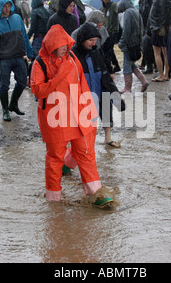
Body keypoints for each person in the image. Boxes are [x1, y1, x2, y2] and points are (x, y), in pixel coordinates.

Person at [30, 24, 113, 206]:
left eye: (67, 46)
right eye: (62, 47)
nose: (66, 50)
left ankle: (96, 195)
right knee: (55, 158)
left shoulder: (72, 56)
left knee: (86, 153)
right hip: (55, 118)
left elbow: (82, 85)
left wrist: (89, 112)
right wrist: (59, 76)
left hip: (78, 115)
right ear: (52, 46)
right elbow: (37, 91)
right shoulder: (40, 63)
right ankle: (54, 200)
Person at [0, 0, 34, 122]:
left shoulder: (17, 19)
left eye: (8, 6)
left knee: (23, 81)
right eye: (4, 6)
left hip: (18, 56)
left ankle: (13, 104)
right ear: (0, 7)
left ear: (11, 6)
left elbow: (24, 36)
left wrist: (29, 51)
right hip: (4, 59)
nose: (6, 9)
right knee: (4, 85)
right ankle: (5, 109)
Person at [117, 0, 149, 93]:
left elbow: (126, 30)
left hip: (129, 44)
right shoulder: (136, 12)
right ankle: (143, 81)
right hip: (136, 44)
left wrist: (121, 43)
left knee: (127, 66)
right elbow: (141, 28)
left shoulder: (128, 13)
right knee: (132, 65)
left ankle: (127, 88)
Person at [148, 0, 171, 82]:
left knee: (157, 53)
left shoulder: (156, 1)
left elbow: (152, 16)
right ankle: (167, 74)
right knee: (166, 53)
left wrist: (153, 28)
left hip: (158, 30)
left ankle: (160, 75)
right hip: (168, 29)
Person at [100, 0, 121, 73]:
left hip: (113, 31)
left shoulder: (113, 5)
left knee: (109, 49)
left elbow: (119, 10)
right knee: (109, 49)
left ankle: (113, 66)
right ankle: (116, 65)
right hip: (106, 32)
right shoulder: (102, 9)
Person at [138, 0, 155, 74]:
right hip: (143, 26)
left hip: (151, 27)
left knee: (150, 48)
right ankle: (149, 65)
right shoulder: (140, 1)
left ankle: (151, 66)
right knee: (145, 47)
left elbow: (152, 14)